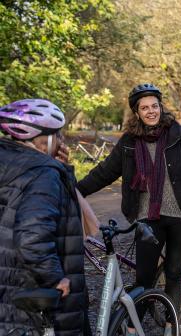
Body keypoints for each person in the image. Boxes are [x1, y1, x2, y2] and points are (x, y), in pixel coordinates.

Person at [76, 84, 181, 327]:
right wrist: (75, 191)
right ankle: (133, 326)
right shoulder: (129, 142)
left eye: (154, 106)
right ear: (137, 112)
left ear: (161, 107)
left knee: (173, 274)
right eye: (145, 108)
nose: (151, 111)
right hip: (147, 221)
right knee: (144, 277)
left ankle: (171, 327)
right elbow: (105, 172)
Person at [0, 99, 90, 335]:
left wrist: (61, 168)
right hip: (33, 290)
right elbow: (32, 237)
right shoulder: (42, 173)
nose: (61, 141)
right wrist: (56, 279)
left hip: (8, 285)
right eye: (57, 135)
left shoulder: (13, 163)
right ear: (43, 139)